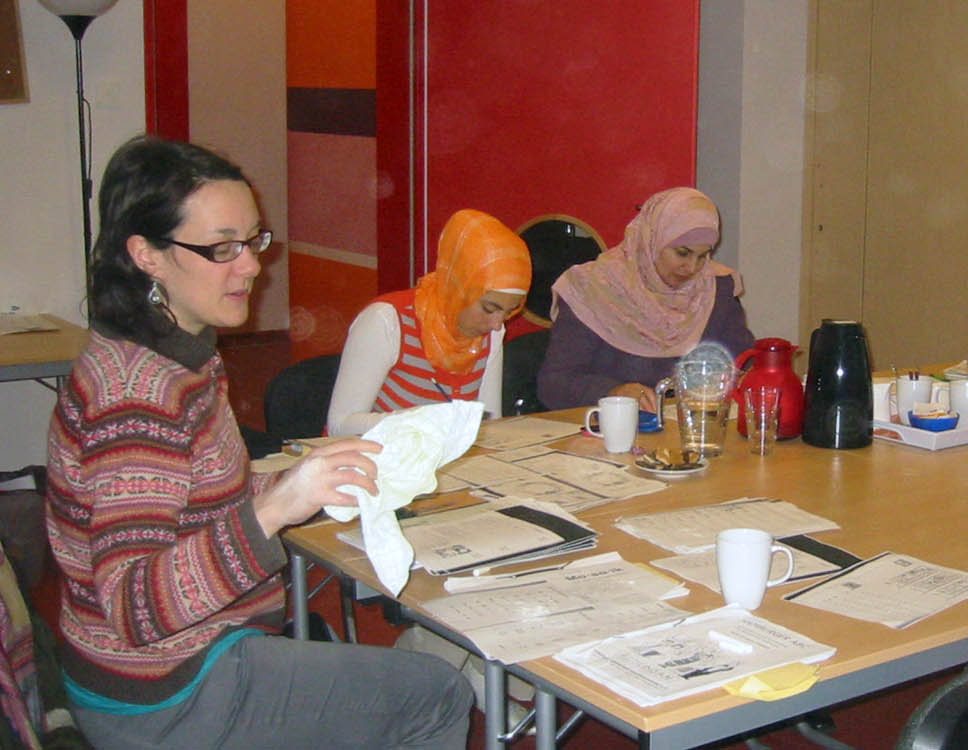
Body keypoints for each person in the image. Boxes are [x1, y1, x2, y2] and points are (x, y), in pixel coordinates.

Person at [45, 136, 472, 749]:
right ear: (147, 255)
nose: (249, 265)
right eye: (221, 248)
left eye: (252, 241)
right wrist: (277, 507)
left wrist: (308, 478)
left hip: (180, 660)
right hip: (164, 692)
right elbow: (135, 609)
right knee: (436, 694)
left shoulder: (180, 352)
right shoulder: (135, 397)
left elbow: (193, 499)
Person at [537, 187, 755, 410]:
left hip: (693, 431)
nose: (692, 267)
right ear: (652, 240)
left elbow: (743, 363)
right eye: (682, 253)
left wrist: (757, 375)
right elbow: (554, 384)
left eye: (703, 256)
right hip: (612, 430)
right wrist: (612, 392)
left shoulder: (715, 289)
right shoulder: (592, 288)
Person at [326, 209, 531, 435]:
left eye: (510, 311)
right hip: (371, 458)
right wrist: (425, 420)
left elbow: (489, 424)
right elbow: (341, 426)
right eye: (489, 308)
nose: (497, 323)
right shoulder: (387, 321)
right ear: (457, 288)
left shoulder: (493, 331)